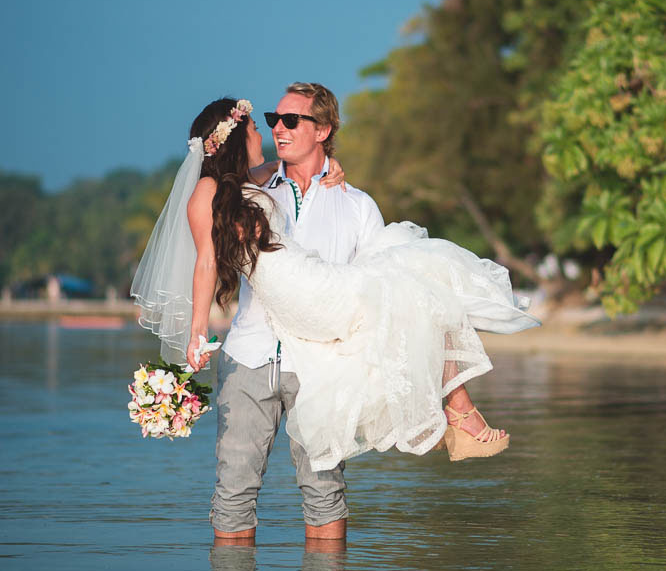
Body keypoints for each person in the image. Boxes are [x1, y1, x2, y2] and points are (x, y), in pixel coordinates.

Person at [132, 86, 538, 543]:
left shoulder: (355, 204)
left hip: (322, 355)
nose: (275, 130)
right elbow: (206, 258)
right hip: (252, 352)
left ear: (321, 130)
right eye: (269, 121)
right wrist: (198, 331)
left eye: (290, 121)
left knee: (325, 490)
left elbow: (370, 277)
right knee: (234, 491)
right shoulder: (243, 187)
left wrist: (329, 168)